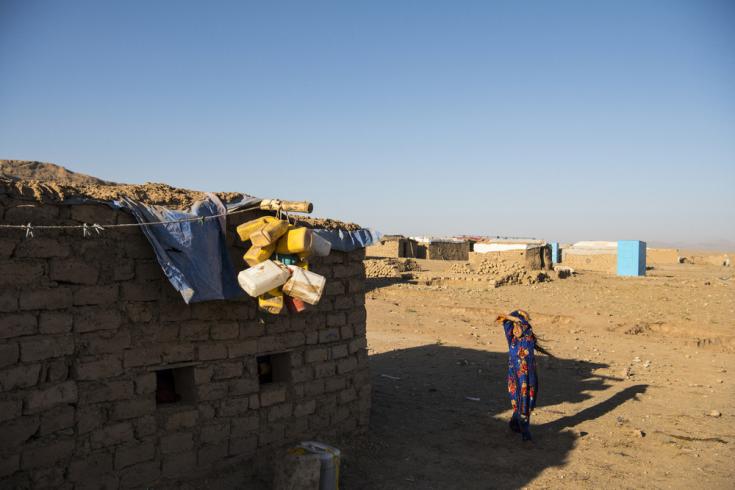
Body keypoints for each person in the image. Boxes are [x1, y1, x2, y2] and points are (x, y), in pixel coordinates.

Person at [497, 310, 540, 442]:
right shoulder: (512, 340)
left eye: (517, 326)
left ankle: (524, 430)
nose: (515, 329)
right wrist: (509, 318)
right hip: (515, 379)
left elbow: (525, 323)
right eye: (513, 327)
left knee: (525, 404)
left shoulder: (528, 336)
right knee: (518, 403)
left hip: (528, 380)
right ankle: (516, 424)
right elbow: (506, 324)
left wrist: (518, 315)